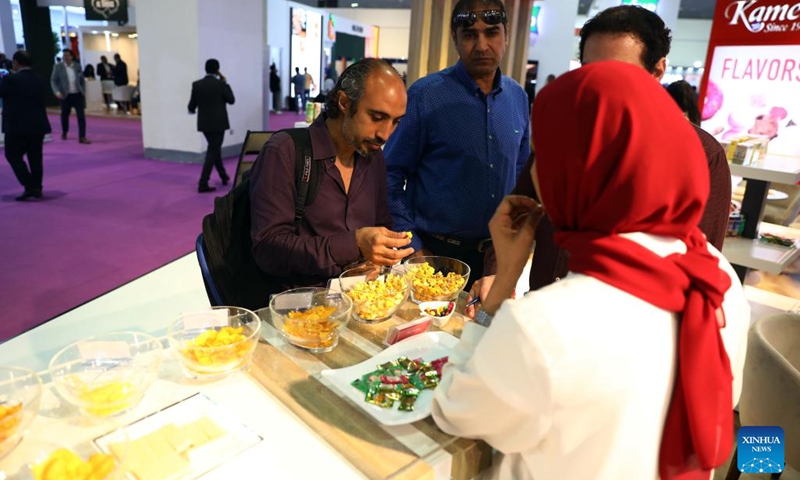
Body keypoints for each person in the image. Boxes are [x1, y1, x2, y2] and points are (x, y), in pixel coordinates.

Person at [432, 61, 750, 480]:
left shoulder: (544, 327)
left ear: (576, 170)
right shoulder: (716, 275)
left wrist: (502, 284)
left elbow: (455, 411)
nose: (534, 171)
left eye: (543, 155)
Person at [471, 5, 732, 307]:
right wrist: (499, 273)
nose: (599, 91)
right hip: (543, 305)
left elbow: (698, 268)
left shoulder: (702, 157)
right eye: (589, 74)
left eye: (618, 77)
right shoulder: (562, 137)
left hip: (621, 328)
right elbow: (517, 210)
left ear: (657, 70)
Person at [383, 0, 531, 288]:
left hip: (497, 257)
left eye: (491, 33)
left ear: (506, 35)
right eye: (469, 35)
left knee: (489, 333)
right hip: (434, 257)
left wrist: (510, 243)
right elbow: (388, 174)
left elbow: (522, 174)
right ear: (455, 39)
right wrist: (412, 245)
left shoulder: (518, 98)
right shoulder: (426, 96)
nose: (481, 45)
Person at [249, 58, 413, 291]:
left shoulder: (373, 157)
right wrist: (353, 243)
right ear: (344, 102)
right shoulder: (287, 151)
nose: (385, 135)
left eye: (395, 122)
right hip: (298, 308)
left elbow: (381, 224)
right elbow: (268, 250)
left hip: (360, 299)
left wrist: (376, 257)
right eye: (377, 118)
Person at [0, 51, 52, 201]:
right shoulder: (39, 79)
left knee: (12, 155)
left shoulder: (11, 79)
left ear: (16, 63)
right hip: (37, 124)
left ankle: (30, 186)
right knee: (35, 157)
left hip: (16, 126)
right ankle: (37, 187)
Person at [188, 58, 234, 193]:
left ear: (205, 69)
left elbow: (191, 106)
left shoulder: (197, 85)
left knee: (215, 149)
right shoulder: (221, 84)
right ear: (217, 70)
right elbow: (231, 100)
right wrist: (225, 83)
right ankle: (203, 182)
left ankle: (223, 175)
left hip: (204, 124)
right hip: (219, 124)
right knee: (213, 150)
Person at [50, 48, 91, 144]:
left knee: (81, 116)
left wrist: (83, 91)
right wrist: (57, 92)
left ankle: (82, 136)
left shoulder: (77, 66)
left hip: (77, 95)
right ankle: (64, 132)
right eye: (64, 55)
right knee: (65, 115)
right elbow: (53, 81)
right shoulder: (58, 67)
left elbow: (81, 80)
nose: (65, 57)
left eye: (67, 55)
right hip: (65, 96)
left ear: (72, 56)